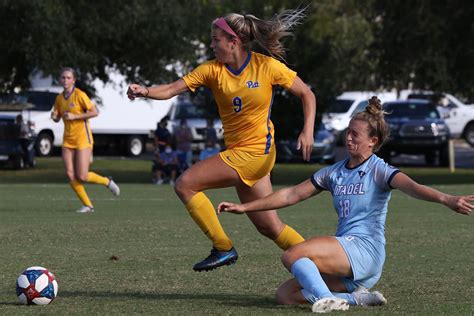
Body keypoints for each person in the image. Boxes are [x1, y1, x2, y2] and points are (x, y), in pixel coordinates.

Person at [217, 96, 473, 313]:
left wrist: (447, 199)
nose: (348, 137)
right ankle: (355, 298)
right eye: (348, 132)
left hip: (365, 251)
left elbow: (414, 188)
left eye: (355, 134)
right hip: (345, 260)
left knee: (293, 254)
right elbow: (291, 194)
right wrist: (246, 207)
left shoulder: (379, 170)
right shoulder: (334, 172)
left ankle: (325, 299)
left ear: (373, 141)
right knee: (285, 294)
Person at [128, 9, 316, 272]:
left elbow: (306, 93)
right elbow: (172, 89)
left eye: (216, 39)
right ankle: (323, 262)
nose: (212, 44)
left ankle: (223, 247)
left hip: (256, 153)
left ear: (233, 42)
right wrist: (145, 91)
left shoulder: (266, 66)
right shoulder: (212, 71)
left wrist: (307, 131)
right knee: (269, 226)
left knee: (185, 185)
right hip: (245, 155)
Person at [51, 67, 120, 213]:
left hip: (83, 139)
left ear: (74, 80)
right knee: (70, 174)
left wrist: (75, 116)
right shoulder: (59, 98)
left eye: (69, 78)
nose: (65, 80)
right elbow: (57, 117)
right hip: (67, 140)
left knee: (82, 175)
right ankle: (88, 205)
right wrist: (55, 116)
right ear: (60, 79)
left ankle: (106, 181)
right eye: (63, 77)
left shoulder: (80, 95)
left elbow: (95, 112)